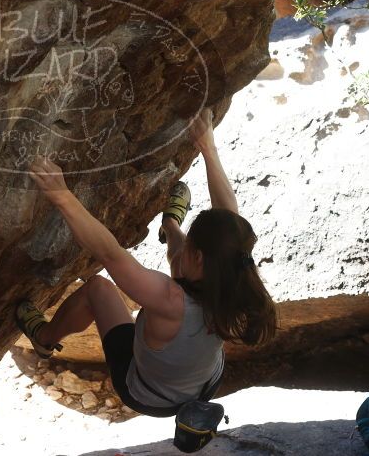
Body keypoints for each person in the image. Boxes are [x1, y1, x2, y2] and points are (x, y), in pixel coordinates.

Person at [15, 107, 278, 419]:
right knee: (185, 260)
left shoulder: (169, 300)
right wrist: (207, 147)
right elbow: (228, 218)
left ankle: (45, 340)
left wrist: (61, 195)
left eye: (192, 247)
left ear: (198, 256)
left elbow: (110, 254)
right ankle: (171, 226)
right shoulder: (236, 274)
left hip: (150, 394)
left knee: (97, 288)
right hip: (204, 382)